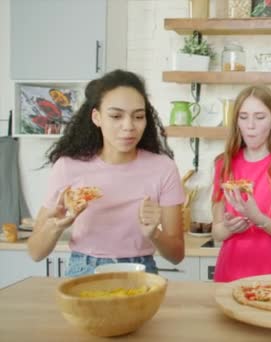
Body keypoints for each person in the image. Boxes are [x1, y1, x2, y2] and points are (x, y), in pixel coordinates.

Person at [27, 70, 185, 276]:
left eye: (138, 116)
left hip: (141, 271)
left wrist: (154, 233)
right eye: (116, 116)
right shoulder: (68, 166)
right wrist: (56, 226)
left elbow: (177, 255)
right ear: (97, 117)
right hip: (83, 269)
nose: (128, 126)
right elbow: (35, 252)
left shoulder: (163, 168)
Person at [211, 85, 271, 283]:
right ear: (236, 122)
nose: (250, 125)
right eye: (243, 117)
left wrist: (258, 218)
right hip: (229, 275)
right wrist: (229, 228)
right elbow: (217, 232)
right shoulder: (223, 163)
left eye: (260, 117)